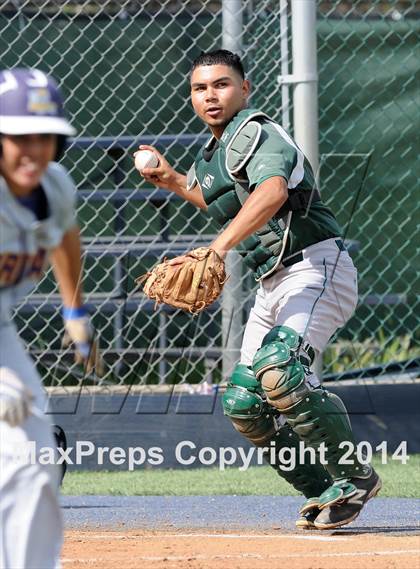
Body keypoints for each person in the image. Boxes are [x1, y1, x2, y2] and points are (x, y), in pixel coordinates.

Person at [134, 50, 381, 530]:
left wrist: (217, 248)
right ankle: (321, 490)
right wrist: (169, 179)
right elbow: (209, 197)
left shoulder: (259, 132)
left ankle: (353, 476)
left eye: (222, 85)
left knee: (280, 370)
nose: (210, 95)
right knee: (244, 402)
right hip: (274, 281)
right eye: (200, 88)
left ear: (244, 90)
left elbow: (272, 192)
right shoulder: (215, 152)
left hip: (316, 266)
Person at [0, 68, 103, 568]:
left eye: (45, 137)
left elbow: (65, 235)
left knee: (35, 453)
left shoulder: (53, 186)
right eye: (18, 136)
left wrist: (74, 307)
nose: (33, 150)